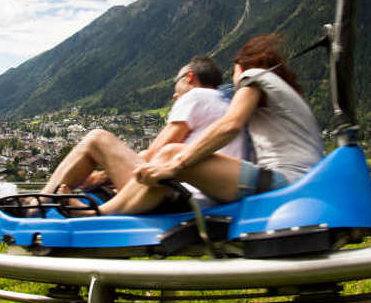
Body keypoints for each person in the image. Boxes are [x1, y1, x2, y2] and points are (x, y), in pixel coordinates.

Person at [92, 34, 324, 215]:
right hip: (305, 183)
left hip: (284, 183)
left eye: (233, 72)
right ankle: (108, 208)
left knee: (171, 153)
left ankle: (100, 215)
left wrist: (175, 166)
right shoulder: (282, 91)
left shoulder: (252, 75)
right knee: (172, 155)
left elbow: (230, 125)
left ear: (240, 66)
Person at [32, 55, 251, 205]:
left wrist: (103, 177)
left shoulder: (195, 96)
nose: (174, 95)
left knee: (96, 139)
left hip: (179, 194)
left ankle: (37, 205)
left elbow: (156, 153)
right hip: (214, 195)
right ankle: (44, 201)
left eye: (175, 85)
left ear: (189, 77)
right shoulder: (225, 102)